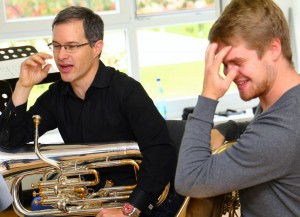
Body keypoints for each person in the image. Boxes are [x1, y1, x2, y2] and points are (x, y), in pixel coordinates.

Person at [0, 6, 183, 217]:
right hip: (92, 201)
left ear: (97, 48)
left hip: (144, 204)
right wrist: (24, 86)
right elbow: (9, 140)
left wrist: (128, 211)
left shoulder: (127, 91)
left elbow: (161, 155)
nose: (61, 55)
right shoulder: (56, 96)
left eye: (72, 46)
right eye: (57, 46)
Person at [175, 0, 300, 216]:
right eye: (224, 65)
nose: (229, 75)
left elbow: (190, 179)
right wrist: (228, 128)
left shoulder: (281, 130)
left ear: (273, 49)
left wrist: (209, 96)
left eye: (238, 62)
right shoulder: (284, 104)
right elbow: (263, 129)